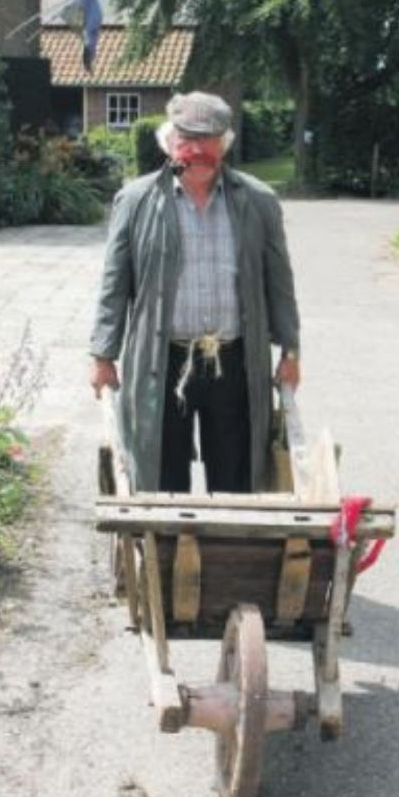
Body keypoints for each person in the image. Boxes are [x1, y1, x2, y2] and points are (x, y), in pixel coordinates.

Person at [89, 90, 300, 494]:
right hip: (161, 360)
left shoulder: (258, 201)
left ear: (225, 144)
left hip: (235, 361)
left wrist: (291, 351)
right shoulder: (135, 201)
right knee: (161, 476)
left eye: (209, 140)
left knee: (236, 477)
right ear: (169, 141)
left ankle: (226, 537)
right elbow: (114, 285)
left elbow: (279, 282)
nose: (199, 151)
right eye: (188, 140)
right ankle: (171, 536)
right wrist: (103, 355)